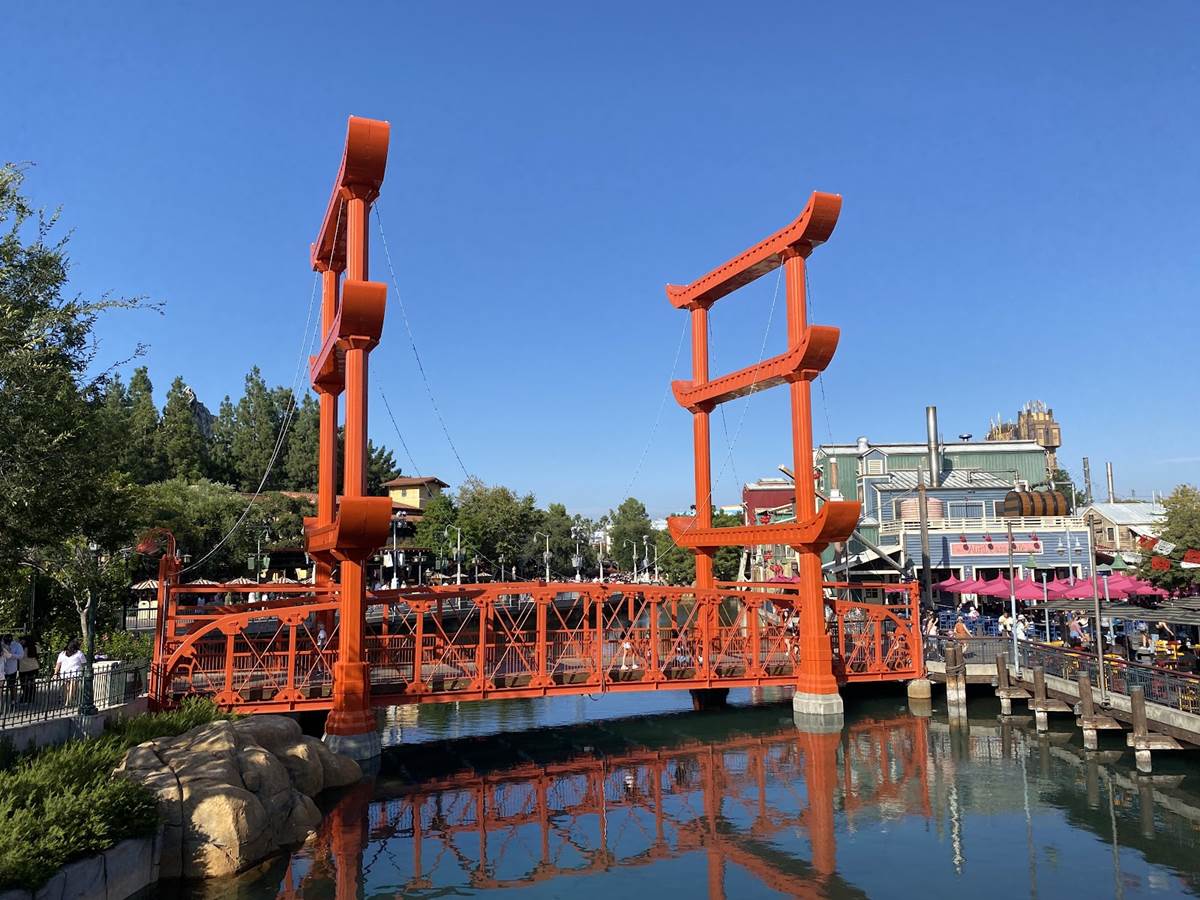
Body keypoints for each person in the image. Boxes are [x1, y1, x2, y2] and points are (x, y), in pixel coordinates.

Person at [54, 639, 86, 704]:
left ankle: (68, 699)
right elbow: (84, 663)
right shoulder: (79, 653)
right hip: (75, 673)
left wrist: (55, 673)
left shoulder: (62, 653)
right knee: (73, 686)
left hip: (65, 672)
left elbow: (58, 664)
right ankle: (69, 700)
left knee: (67, 687)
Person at [1, 634, 23, 704]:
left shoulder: (17, 645)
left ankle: (13, 701)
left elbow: (21, 656)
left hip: (11, 669)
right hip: (2, 669)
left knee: (12, 685)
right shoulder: (1, 644)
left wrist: (11, 656)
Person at [17, 636, 38, 705]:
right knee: (32, 683)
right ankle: (31, 698)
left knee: (24, 684)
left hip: (24, 668)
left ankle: (25, 697)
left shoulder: (22, 649)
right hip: (33, 667)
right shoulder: (34, 647)